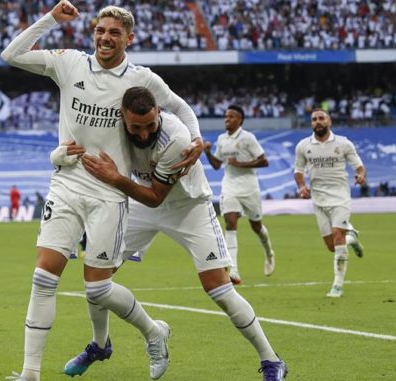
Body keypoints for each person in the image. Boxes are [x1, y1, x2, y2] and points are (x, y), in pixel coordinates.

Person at [1, 2, 203, 380]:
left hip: (110, 194)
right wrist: (50, 20)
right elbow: (11, 55)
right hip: (66, 184)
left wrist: (196, 138)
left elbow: (180, 106)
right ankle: (30, 373)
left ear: (129, 38)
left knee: (98, 291)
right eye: (100, 30)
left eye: (114, 33)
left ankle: (153, 330)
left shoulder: (142, 79)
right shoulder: (70, 63)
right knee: (44, 277)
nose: (105, 37)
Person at [57, 87, 287, 381]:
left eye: (150, 126)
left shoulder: (176, 139)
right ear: (122, 117)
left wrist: (114, 177)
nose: (143, 135)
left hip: (187, 206)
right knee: (97, 277)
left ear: (159, 114)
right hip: (139, 204)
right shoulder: (111, 127)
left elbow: (155, 197)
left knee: (219, 289)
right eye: (135, 128)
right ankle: (100, 345)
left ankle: (271, 360)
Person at [294, 109, 366, 298]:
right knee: (331, 246)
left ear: (329, 121)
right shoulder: (303, 146)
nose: (317, 122)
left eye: (321, 118)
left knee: (337, 237)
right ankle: (353, 238)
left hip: (340, 197)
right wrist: (301, 186)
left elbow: (358, 165)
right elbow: (298, 170)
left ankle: (338, 285)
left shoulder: (343, 143)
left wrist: (360, 175)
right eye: (314, 119)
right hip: (318, 199)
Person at [203, 105, 275, 284]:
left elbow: (264, 161)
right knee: (230, 223)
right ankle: (233, 270)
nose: (227, 119)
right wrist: (207, 152)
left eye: (232, 116)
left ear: (240, 120)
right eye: (226, 116)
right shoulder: (221, 139)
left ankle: (269, 252)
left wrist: (240, 164)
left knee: (256, 226)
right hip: (230, 186)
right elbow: (217, 165)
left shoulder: (248, 138)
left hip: (250, 187)